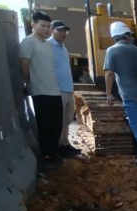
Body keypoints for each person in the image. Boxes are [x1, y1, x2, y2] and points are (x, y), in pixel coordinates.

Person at [104, 22, 137, 165]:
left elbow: (109, 73)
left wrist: (108, 94)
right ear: (128, 35)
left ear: (115, 37)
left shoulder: (112, 51)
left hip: (130, 95)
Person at [19, 12, 62, 166]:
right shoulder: (28, 42)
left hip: (54, 90)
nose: (46, 29)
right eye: (42, 26)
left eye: (48, 26)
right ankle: (46, 156)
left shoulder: (48, 44)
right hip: (40, 91)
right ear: (33, 25)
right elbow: (24, 65)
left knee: (57, 123)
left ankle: (53, 153)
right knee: (45, 125)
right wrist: (27, 83)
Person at [49, 20, 79, 157]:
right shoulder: (48, 46)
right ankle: (58, 147)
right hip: (57, 89)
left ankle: (65, 144)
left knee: (67, 120)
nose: (63, 33)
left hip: (68, 88)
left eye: (65, 31)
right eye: (59, 30)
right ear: (52, 30)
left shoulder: (63, 47)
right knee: (58, 120)